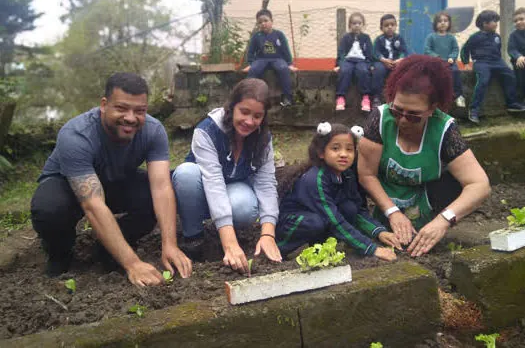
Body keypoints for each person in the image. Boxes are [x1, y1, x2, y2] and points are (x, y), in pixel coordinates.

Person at [31, 72, 192, 286]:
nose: (131, 118)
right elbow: (93, 205)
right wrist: (133, 264)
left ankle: (109, 247)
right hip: (67, 185)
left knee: (150, 195)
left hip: (115, 180)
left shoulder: (153, 131)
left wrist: (170, 244)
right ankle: (60, 252)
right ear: (104, 105)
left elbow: (161, 187)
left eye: (140, 111)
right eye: (122, 108)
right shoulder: (77, 135)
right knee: (49, 209)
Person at [358, 55, 491, 257]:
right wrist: (392, 212)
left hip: (425, 199)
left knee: (455, 182)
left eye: (413, 115)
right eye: (397, 110)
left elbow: (480, 184)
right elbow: (366, 174)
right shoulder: (380, 119)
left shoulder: (444, 129)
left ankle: (426, 226)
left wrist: (443, 220)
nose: (402, 120)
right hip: (385, 198)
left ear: (432, 108)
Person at [172, 78, 282, 274]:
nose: (249, 121)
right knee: (185, 174)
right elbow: (213, 183)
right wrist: (229, 244)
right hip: (199, 190)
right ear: (232, 107)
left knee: (245, 205)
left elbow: (266, 183)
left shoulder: (263, 139)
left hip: (231, 190)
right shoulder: (207, 131)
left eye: (257, 116)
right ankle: (193, 238)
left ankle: (219, 233)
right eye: (244, 112)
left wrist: (268, 234)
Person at [275, 122, 399, 261]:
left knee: (349, 208)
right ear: (321, 153)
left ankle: (320, 247)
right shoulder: (316, 179)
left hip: (321, 216)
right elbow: (333, 220)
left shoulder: (347, 175)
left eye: (349, 149)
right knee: (315, 222)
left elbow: (358, 211)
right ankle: (279, 249)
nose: (343, 154)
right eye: (335, 149)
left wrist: (379, 232)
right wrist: (371, 248)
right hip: (292, 223)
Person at [460, 10, 525, 124]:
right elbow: (465, 49)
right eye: (494, 21)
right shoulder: (475, 37)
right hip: (481, 62)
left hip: (496, 61)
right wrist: (465, 63)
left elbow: (497, 51)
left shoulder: (497, 37)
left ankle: (512, 103)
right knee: (483, 79)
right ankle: (474, 109)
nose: (496, 23)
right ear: (485, 24)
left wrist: (500, 66)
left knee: (510, 75)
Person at [243, 9, 297, 107]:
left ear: (272, 21)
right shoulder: (256, 36)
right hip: (261, 60)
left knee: (283, 69)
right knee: (254, 70)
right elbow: (251, 51)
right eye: (260, 22)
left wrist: (289, 64)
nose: (263, 24)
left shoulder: (279, 34)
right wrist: (250, 64)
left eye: (266, 21)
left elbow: (285, 49)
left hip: (277, 59)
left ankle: (287, 98)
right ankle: (248, 97)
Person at [424, 11, 466, 108]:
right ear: (435, 24)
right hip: (435, 63)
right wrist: (436, 57)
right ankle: (432, 96)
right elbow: (427, 50)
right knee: (433, 75)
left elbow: (455, 49)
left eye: (445, 21)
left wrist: (452, 57)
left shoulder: (451, 38)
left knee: (455, 71)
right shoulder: (431, 37)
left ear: (449, 23)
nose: (443, 23)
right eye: (440, 21)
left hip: (449, 62)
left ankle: (458, 95)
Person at [334, 12, 375, 112]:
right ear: (349, 25)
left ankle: (365, 97)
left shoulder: (366, 38)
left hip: (362, 61)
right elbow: (341, 52)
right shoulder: (346, 38)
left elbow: (370, 53)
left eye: (359, 23)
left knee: (363, 71)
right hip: (348, 60)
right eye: (354, 23)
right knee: (344, 71)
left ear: (363, 25)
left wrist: (370, 65)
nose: (357, 25)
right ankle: (340, 97)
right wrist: (339, 64)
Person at [372, 14, 410, 106]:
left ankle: (398, 96)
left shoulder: (399, 38)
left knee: (402, 70)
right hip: (382, 63)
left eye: (392, 25)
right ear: (381, 28)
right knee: (378, 70)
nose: (390, 27)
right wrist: (383, 60)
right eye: (386, 25)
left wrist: (400, 60)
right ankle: (376, 96)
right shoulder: (379, 39)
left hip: (396, 62)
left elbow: (404, 51)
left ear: (396, 26)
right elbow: (375, 52)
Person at [508, 7, 525, 100]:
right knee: (520, 68)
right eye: (515, 21)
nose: (518, 22)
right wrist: (518, 56)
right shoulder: (513, 35)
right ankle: (521, 97)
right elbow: (511, 49)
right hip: (520, 62)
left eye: (521, 19)